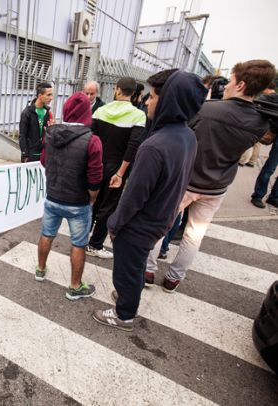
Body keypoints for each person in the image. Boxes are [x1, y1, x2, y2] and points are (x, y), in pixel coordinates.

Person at [146, 60, 276, 293]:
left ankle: (148, 269)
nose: (225, 85)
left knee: (161, 224)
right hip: (217, 185)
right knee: (194, 235)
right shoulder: (260, 122)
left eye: (231, 81)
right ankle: (174, 278)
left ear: (241, 84)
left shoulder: (207, 110)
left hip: (185, 179)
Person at [92, 69, 207, 331]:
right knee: (136, 265)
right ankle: (127, 297)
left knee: (127, 269)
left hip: (140, 223)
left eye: (154, 97)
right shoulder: (187, 135)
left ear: (169, 101)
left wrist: (115, 223)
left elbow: (134, 195)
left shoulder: (155, 146)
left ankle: (124, 314)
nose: (148, 102)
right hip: (163, 217)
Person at [36, 92, 102, 300]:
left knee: (47, 234)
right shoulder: (92, 140)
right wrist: (92, 198)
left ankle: (40, 269)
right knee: (78, 244)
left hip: (53, 196)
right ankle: (75, 286)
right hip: (78, 201)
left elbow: (44, 162)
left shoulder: (51, 133)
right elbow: (95, 176)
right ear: (86, 112)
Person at [86, 77, 146, 259]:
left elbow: (90, 139)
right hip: (117, 168)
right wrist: (120, 174)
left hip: (97, 164)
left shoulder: (101, 110)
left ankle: (83, 236)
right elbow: (132, 147)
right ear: (134, 93)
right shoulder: (138, 115)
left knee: (92, 202)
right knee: (109, 206)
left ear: (117, 90)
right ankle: (95, 245)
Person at [251, 90, 278, 208]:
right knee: (269, 168)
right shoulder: (274, 97)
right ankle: (257, 196)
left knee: (269, 168)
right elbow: (261, 100)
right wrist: (272, 124)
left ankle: (274, 197)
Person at [19, 82, 53, 162]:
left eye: (52, 95)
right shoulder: (27, 113)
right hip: (31, 154)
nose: (51, 98)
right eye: (48, 95)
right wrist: (25, 154)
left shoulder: (48, 111)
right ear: (40, 96)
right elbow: (22, 136)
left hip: (44, 153)